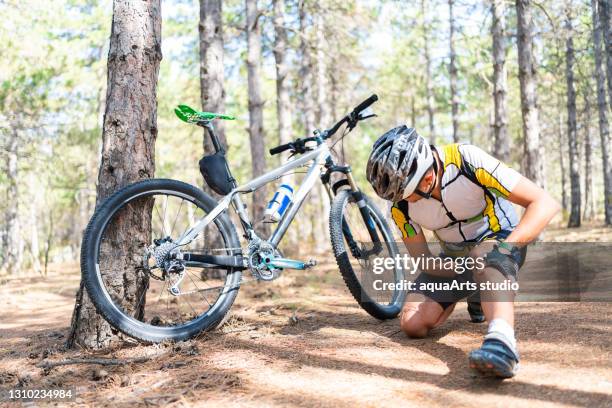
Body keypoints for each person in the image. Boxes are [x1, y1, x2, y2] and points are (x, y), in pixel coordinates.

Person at [365, 125, 560, 378]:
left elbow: (544, 203)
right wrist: (456, 269)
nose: (402, 202)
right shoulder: (400, 207)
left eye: (406, 195)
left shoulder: (467, 160)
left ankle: (502, 343)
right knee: (412, 323)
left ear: (426, 179)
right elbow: (423, 261)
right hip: (456, 258)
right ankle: (476, 289)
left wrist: (506, 248)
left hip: (498, 239)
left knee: (484, 257)